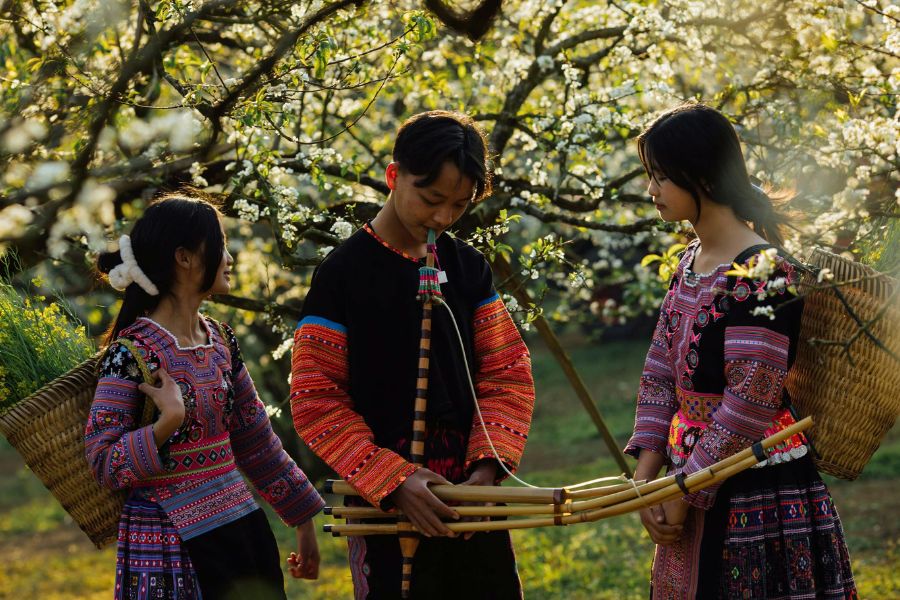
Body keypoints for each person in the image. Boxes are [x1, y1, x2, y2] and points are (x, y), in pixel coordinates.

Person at [290, 110, 535, 599]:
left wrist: (486, 473)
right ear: (393, 176)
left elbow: (508, 375)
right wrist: (393, 480)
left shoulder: (468, 268)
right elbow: (316, 400)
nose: (443, 218)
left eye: (459, 206)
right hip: (385, 507)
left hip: (473, 503)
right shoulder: (343, 274)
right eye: (431, 199)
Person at [624, 103, 858, 599]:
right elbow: (659, 372)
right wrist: (646, 477)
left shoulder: (765, 271)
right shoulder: (689, 261)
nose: (651, 191)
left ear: (702, 176)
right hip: (688, 471)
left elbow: (752, 397)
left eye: (662, 177)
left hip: (756, 484)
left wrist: (687, 488)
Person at [85, 193, 324, 600]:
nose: (229, 257)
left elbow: (256, 439)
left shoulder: (220, 340)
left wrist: (303, 519)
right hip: (170, 546)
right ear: (185, 257)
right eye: (221, 245)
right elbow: (104, 461)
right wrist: (166, 425)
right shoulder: (130, 354)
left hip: (240, 528)